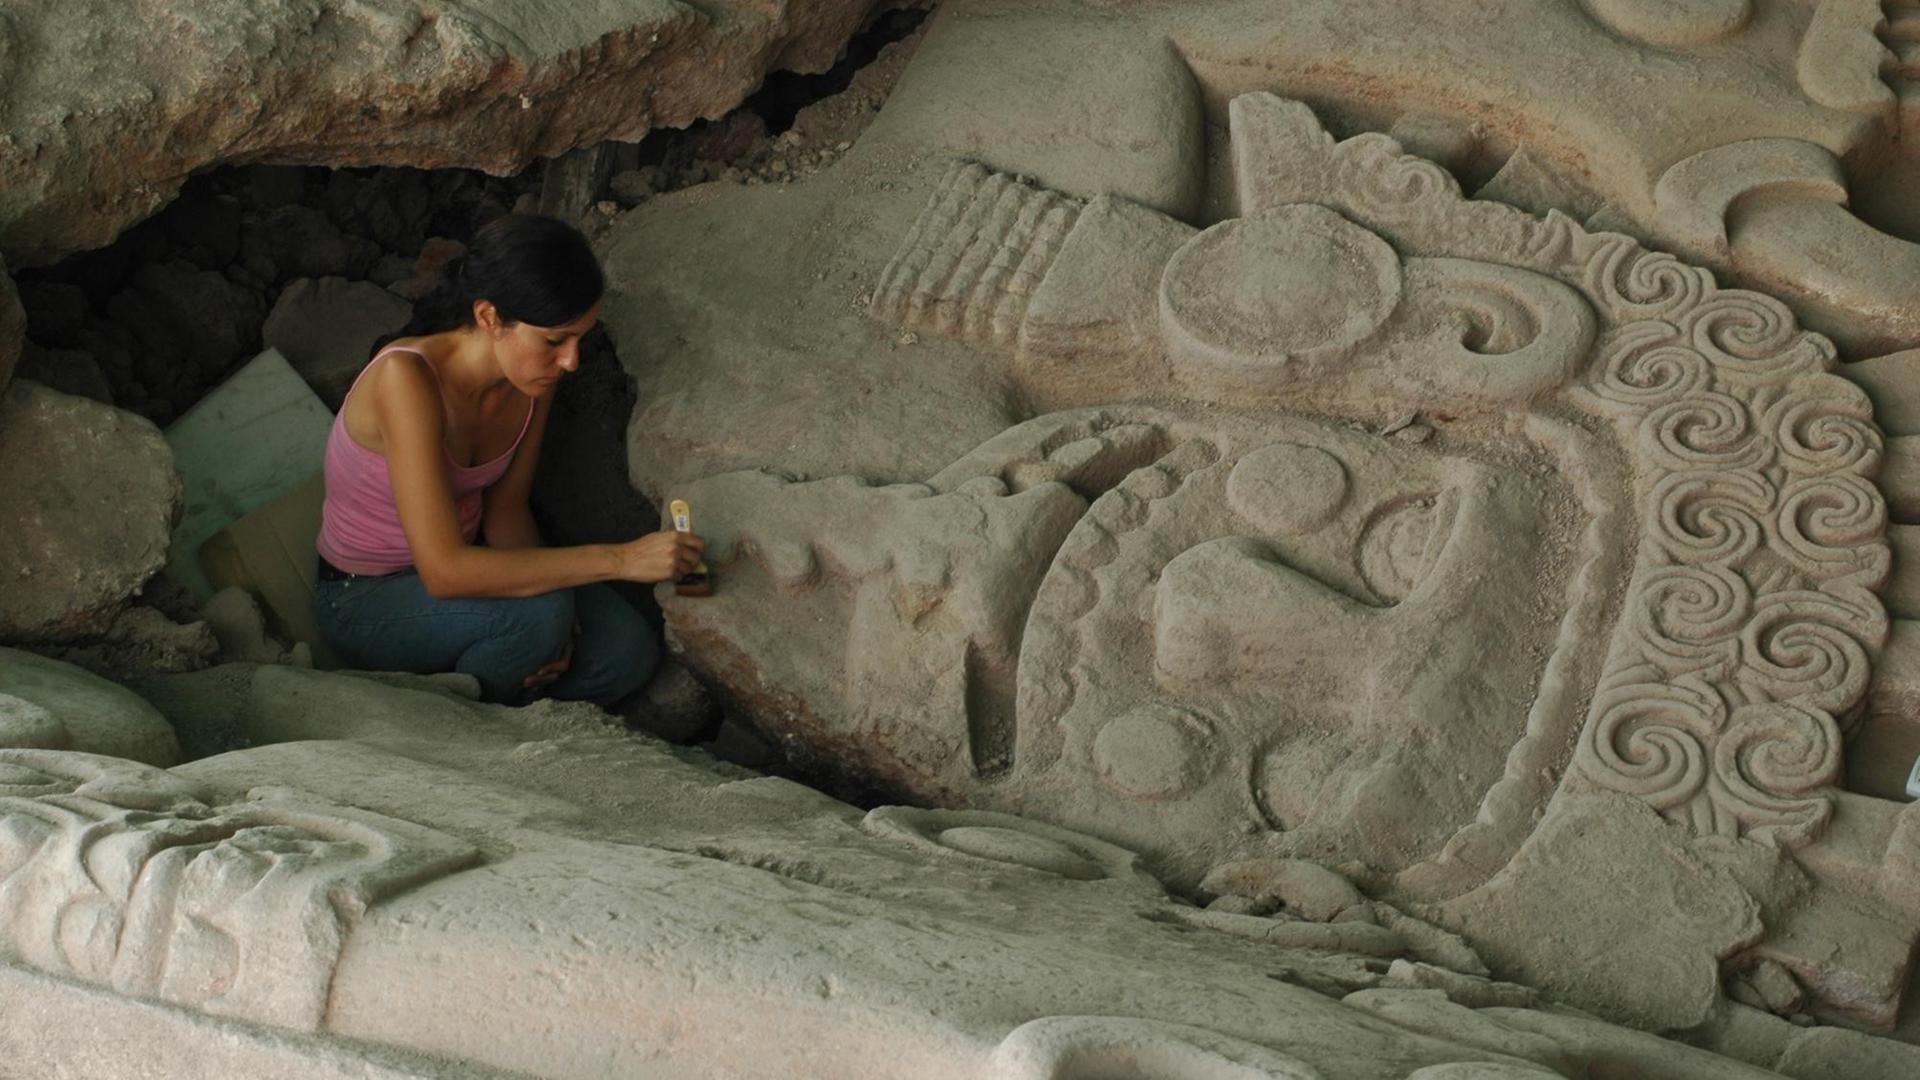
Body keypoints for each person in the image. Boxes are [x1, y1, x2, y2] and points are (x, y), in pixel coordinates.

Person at [311, 213, 703, 706]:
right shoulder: (405, 381)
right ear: (489, 317)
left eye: (580, 338)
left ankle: (501, 678)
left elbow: (506, 510)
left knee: (626, 651)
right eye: (555, 340)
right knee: (539, 617)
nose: (571, 361)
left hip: (473, 565)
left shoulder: (530, 381)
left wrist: (558, 620)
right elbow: (445, 572)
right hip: (365, 595)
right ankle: (465, 724)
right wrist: (620, 561)